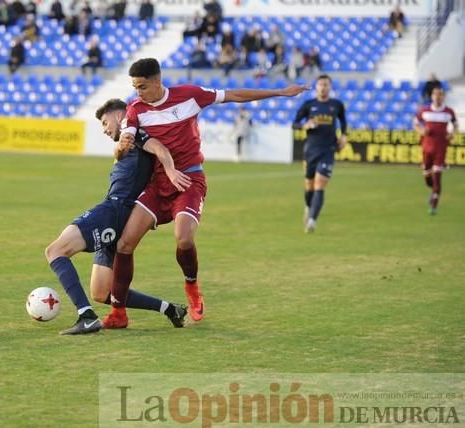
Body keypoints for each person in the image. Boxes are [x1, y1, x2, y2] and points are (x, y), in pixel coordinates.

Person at [102, 58, 308, 328]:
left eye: (141, 87)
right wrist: (123, 146)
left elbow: (233, 95)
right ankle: (119, 313)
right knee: (124, 244)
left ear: (156, 82)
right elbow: (121, 149)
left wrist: (280, 92)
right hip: (158, 183)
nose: (137, 92)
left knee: (184, 240)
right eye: (134, 87)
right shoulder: (135, 110)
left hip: (189, 179)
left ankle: (192, 287)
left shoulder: (189, 95)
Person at [45, 98, 190, 335]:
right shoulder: (127, 141)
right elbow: (121, 152)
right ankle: (169, 309)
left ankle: (86, 316)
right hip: (122, 217)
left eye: (105, 122)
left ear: (120, 115)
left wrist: (171, 171)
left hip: (115, 210)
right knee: (103, 292)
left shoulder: (138, 134)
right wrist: (120, 148)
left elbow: (160, 149)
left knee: (55, 251)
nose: (104, 129)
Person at [292, 74, 347, 233]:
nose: (323, 87)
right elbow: (294, 124)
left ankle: (312, 221)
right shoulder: (309, 105)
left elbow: (343, 121)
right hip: (311, 151)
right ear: (316, 87)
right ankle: (308, 207)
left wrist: (344, 135)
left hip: (328, 150)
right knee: (309, 186)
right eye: (321, 84)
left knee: (320, 184)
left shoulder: (336, 105)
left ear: (330, 87)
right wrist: (306, 125)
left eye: (326, 85)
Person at [413, 85, 458, 215]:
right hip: (427, 149)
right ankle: (434, 192)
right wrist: (422, 131)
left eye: (440, 94)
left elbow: (455, 125)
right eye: (435, 94)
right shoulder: (425, 111)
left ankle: (434, 205)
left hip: (440, 149)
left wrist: (452, 133)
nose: (438, 97)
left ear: (443, 96)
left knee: (437, 176)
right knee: (427, 177)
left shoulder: (448, 112)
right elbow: (415, 123)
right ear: (432, 96)